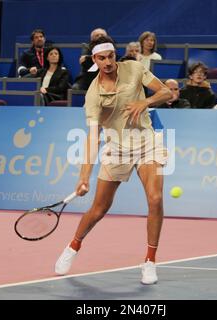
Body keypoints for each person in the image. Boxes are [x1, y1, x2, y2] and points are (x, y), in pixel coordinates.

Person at [54, 35, 172, 285]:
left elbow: (165, 92)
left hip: (146, 142)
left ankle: (150, 261)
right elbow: (92, 138)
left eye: (110, 56)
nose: (107, 62)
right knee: (99, 209)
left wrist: (146, 101)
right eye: (101, 58)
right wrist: (83, 176)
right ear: (94, 60)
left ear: (114, 55)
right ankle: (73, 246)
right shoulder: (93, 95)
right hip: (117, 148)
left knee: (156, 198)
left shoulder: (135, 68)